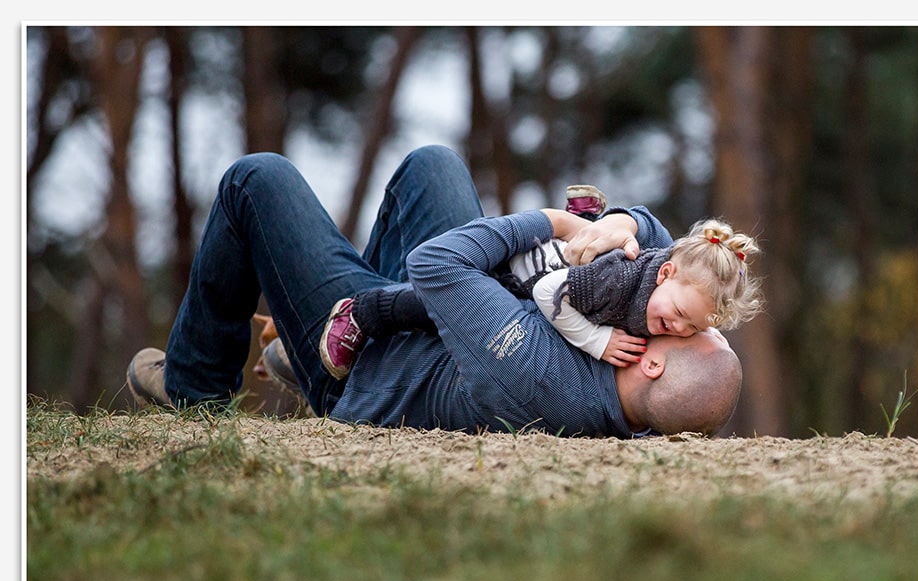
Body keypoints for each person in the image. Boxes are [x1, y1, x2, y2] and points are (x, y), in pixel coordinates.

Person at [126, 145, 743, 438]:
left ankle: (198, 385)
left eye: (692, 332)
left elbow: (438, 263)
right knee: (434, 166)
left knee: (255, 179)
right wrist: (622, 225)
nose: (683, 324)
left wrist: (556, 223)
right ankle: (303, 329)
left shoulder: (533, 372)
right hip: (444, 324)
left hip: (373, 367)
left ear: (657, 363)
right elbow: (666, 259)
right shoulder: (639, 370)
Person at [317, 207, 762, 380]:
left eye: (692, 327)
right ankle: (363, 311)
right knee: (431, 307)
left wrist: (709, 338)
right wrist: (597, 340)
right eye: (682, 313)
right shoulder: (619, 280)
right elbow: (551, 292)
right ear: (664, 272)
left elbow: (690, 320)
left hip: (557, 286)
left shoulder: (669, 299)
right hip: (521, 278)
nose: (678, 328)